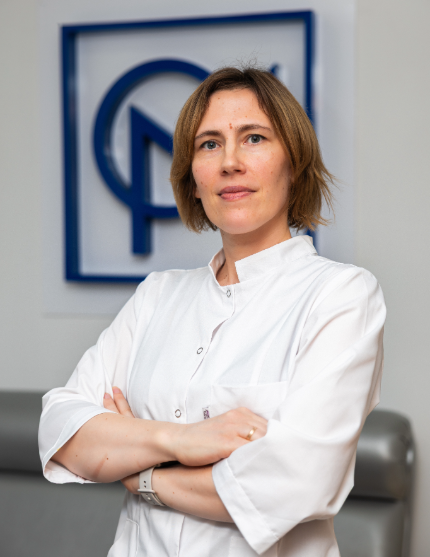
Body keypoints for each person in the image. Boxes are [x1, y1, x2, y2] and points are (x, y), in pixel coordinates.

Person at [38, 66, 386, 557]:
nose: (230, 162)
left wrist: (140, 472)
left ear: (294, 163)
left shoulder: (341, 295)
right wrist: (181, 440)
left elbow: (297, 483)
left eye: (254, 138)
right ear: (193, 180)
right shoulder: (157, 295)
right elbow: (62, 430)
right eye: (209, 144)